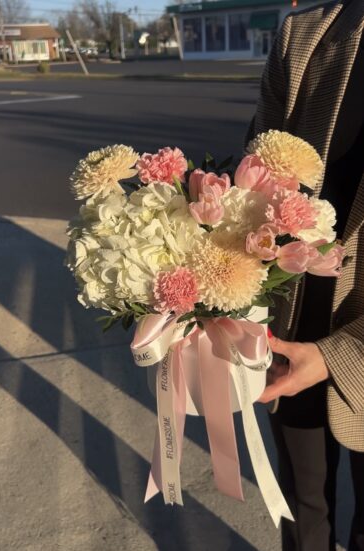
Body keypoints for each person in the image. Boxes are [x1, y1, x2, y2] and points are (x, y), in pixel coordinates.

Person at [246, 1, 364, 550]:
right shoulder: (304, 34)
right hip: (292, 326)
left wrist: (346, 355)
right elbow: (248, 177)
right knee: (301, 508)